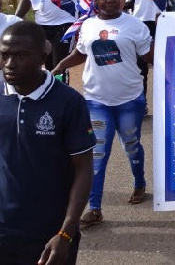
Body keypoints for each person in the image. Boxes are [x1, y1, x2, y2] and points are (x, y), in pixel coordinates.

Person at [52, 0, 152, 226]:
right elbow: (81, 53)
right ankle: (94, 208)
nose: (109, 0)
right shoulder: (88, 25)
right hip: (96, 101)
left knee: (131, 146)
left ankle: (139, 183)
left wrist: (174, 66)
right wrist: (57, 69)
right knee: (96, 154)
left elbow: (151, 58)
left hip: (130, 100)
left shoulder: (135, 25)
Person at [0, 21, 95, 264]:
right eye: (4, 55)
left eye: (20, 56)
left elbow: (83, 168)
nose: (9, 64)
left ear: (43, 54)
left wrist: (66, 232)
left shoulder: (68, 102)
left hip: (49, 234)